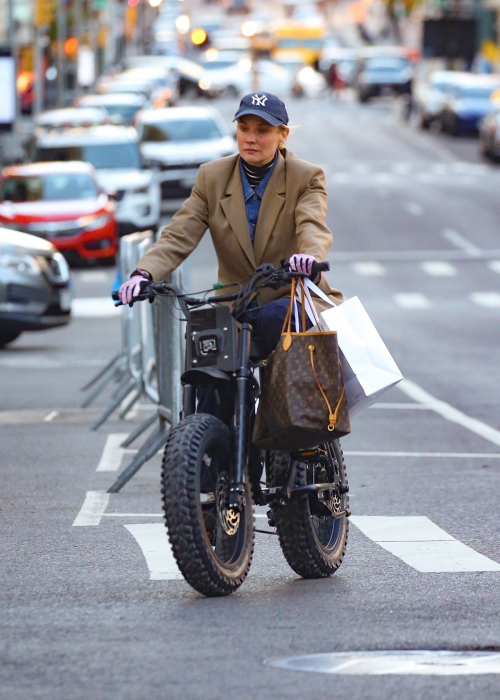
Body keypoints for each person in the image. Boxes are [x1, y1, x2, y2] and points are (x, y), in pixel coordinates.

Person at [119, 92, 342, 386]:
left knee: (274, 317)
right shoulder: (212, 177)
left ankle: (279, 415)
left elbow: (312, 225)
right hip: (236, 304)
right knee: (207, 363)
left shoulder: (306, 177)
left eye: (262, 130)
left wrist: (310, 257)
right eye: (244, 128)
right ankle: (206, 428)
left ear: (283, 136)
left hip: (291, 299)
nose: (250, 138)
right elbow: (179, 232)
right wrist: (143, 273)